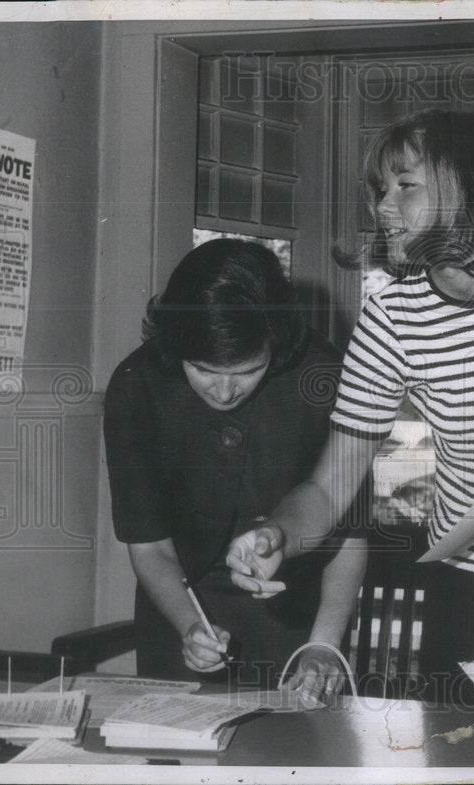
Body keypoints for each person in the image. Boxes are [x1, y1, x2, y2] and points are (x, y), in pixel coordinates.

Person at [227, 110, 474, 701]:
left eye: (405, 186)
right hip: (463, 583)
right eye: (378, 191)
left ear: (469, 184)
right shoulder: (392, 317)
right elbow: (328, 491)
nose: (381, 207)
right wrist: (276, 534)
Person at [104, 239, 367, 695]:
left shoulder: (325, 376)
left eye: (247, 370)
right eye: (203, 369)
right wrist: (190, 629)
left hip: (294, 614)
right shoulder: (135, 386)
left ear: (275, 343)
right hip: (178, 605)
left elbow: (350, 532)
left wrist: (324, 644)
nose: (224, 392)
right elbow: (149, 546)